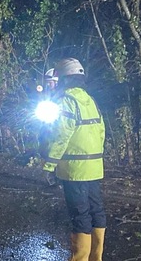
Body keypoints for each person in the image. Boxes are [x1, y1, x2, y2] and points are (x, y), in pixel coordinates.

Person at [42, 58, 106, 261]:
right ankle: (96, 258)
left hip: (74, 169)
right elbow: (101, 132)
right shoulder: (90, 100)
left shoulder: (66, 101)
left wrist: (49, 165)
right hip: (95, 168)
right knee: (96, 212)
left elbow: (60, 136)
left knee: (80, 215)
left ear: (64, 79)